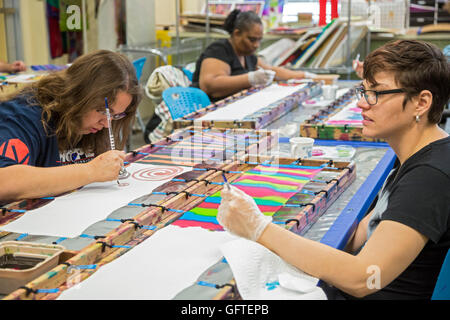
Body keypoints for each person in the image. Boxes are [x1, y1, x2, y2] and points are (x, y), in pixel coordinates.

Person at [217, 40, 450, 300]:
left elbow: (364, 277)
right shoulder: (417, 155)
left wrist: (258, 228)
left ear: (421, 103)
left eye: (377, 94)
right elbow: (363, 233)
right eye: (364, 90)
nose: (362, 104)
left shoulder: (429, 178)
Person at [0, 50, 142, 203]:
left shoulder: (92, 126)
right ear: (79, 95)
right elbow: (5, 182)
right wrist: (91, 171)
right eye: (102, 111)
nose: (107, 124)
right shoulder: (24, 115)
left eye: (115, 116)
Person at [191, 9, 318, 102]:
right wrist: (250, 79)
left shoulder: (248, 55)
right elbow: (209, 85)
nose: (256, 45)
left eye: (259, 40)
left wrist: (306, 76)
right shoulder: (219, 49)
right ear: (236, 34)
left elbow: (273, 71)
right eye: (252, 39)